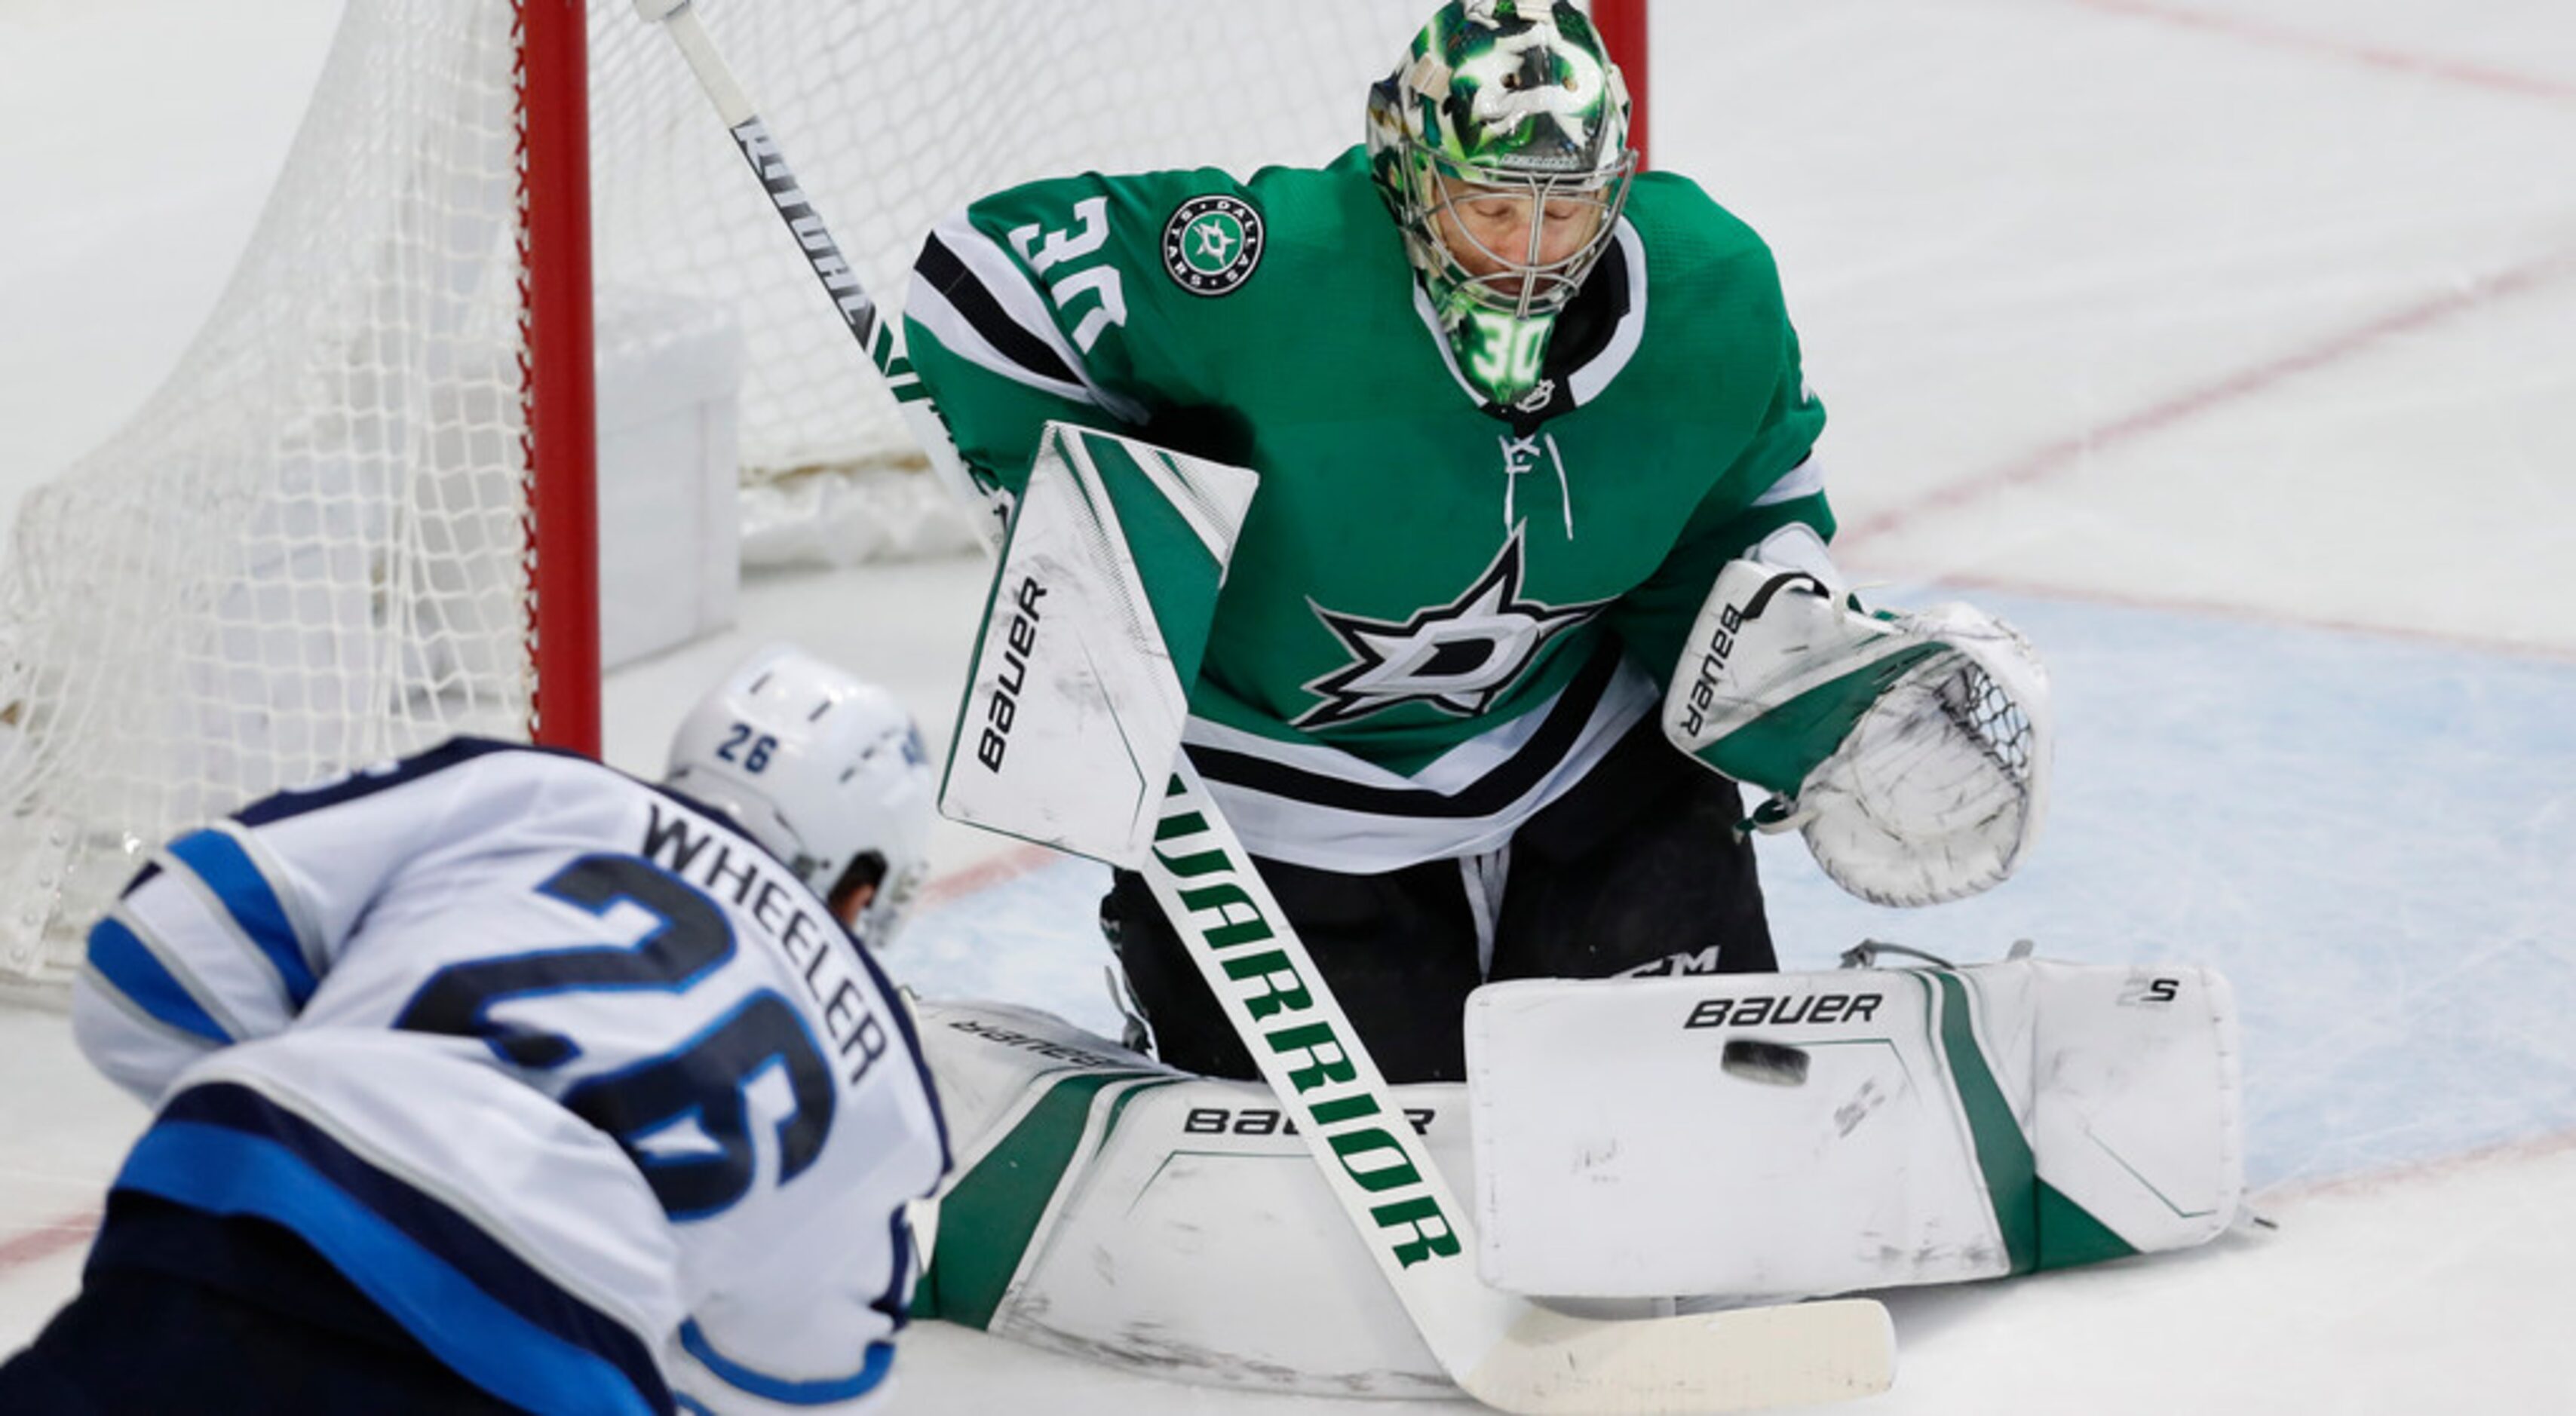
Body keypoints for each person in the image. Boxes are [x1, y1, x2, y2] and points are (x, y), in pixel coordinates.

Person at [902, 1, 1841, 1083]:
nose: (1533, 256)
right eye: (1492, 208)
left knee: (1694, 1107)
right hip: (1282, 793)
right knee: (1340, 1182)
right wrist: (1095, 501)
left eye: (1569, 210)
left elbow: (1752, 500)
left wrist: (1813, 678)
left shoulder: (1712, 288)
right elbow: (981, 282)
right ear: (1403, 173)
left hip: (1588, 756)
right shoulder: (1265, 269)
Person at [0, 645, 948, 1415]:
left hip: (253, 1189)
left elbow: (154, 947)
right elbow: (798, 1384)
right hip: (545, 1346)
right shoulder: (879, 1067)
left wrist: (338, 1078)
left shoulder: (529, 790)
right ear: (861, 890)